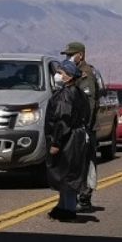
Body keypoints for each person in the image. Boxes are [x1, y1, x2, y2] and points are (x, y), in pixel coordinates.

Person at [45, 59, 91, 221]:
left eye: (61, 73)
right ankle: (61, 207)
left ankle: (69, 210)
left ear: (69, 76)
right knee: (66, 175)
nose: (57, 75)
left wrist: (56, 143)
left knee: (67, 176)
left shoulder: (66, 95)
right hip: (76, 138)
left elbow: (63, 120)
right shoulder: (78, 93)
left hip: (68, 141)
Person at [61, 42, 100, 213]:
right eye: (67, 55)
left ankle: (84, 198)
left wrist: (84, 126)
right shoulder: (72, 73)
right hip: (74, 127)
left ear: (81, 55)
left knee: (85, 162)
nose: (68, 58)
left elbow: (89, 103)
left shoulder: (86, 74)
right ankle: (73, 197)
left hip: (85, 127)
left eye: (71, 55)